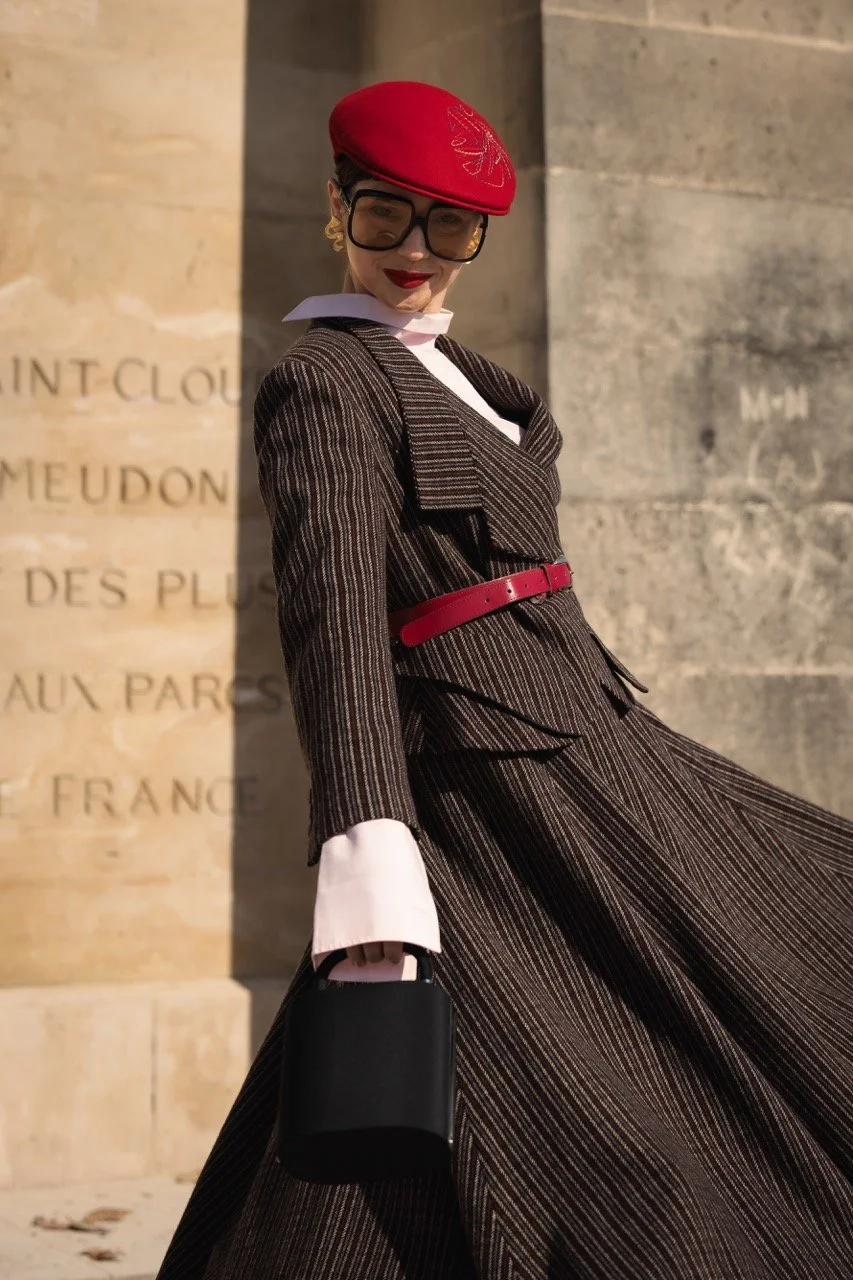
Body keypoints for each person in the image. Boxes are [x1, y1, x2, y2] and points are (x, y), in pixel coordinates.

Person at [155, 80, 853, 1280]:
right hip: (491, 793)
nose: (415, 253)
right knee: (611, 1118)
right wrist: (369, 855)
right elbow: (334, 630)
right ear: (337, 210)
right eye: (384, 216)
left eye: (450, 227)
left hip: (591, 739)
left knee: (781, 955)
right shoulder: (324, 380)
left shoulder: (480, 380)